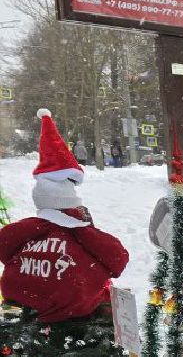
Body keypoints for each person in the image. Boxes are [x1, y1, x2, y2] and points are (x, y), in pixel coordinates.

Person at [0, 111, 128, 323]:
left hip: (21, 309)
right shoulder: (81, 231)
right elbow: (118, 259)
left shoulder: (24, 232)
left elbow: (4, 246)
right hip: (72, 316)